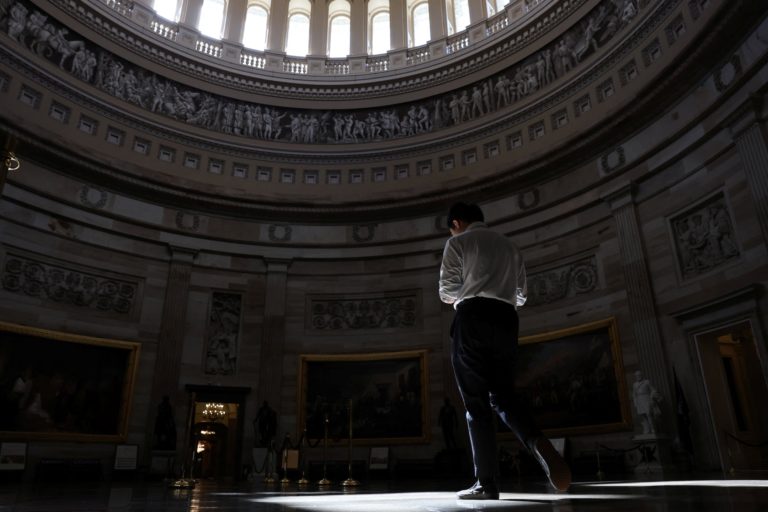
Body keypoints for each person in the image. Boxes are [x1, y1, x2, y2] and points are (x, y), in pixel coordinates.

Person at [439, 202, 571, 500]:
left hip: (472, 318)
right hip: (506, 320)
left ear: (456, 223)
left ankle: (486, 482)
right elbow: (521, 297)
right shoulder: (510, 247)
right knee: (504, 396)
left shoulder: (457, 243)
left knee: (475, 402)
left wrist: (472, 288)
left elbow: (446, 293)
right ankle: (536, 441)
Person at [632, 370, 662, 435]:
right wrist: (635, 403)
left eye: (639, 375)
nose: (638, 376)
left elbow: (653, 389)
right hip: (639, 400)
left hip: (646, 398)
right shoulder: (634, 384)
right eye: (637, 375)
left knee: (649, 414)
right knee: (643, 415)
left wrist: (652, 396)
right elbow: (634, 394)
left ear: (641, 375)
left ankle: (653, 428)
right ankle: (647, 429)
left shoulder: (646, 382)